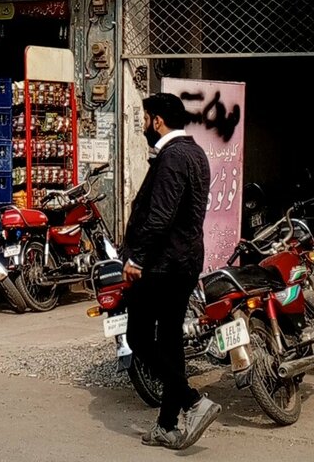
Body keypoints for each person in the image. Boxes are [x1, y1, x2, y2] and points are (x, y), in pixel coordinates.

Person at [121, 92, 221, 450]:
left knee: (138, 338)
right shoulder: (194, 152)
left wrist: (137, 260)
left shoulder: (173, 157)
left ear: (157, 120)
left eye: (145, 118)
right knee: (170, 341)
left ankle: (192, 401)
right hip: (186, 260)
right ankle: (167, 423)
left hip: (163, 265)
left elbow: (160, 217)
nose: (143, 125)